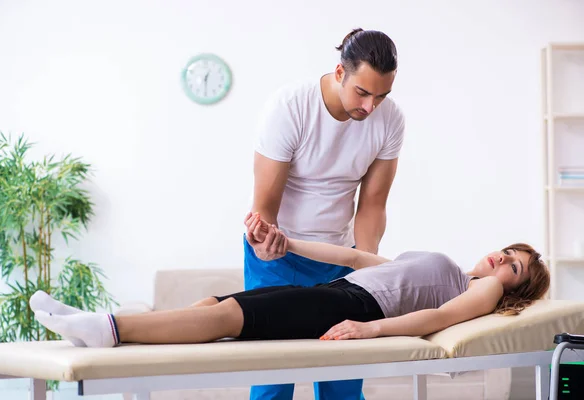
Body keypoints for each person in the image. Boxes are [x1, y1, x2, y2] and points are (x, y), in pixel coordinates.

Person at [31, 214, 550, 354]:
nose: (503, 260)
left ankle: (108, 329)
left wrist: (372, 331)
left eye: (515, 267)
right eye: (508, 251)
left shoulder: (485, 293)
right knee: (219, 303)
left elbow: (435, 320)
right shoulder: (453, 274)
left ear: (516, 289)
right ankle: (104, 329)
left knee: (232, 317)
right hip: (346, 287)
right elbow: (352, 254)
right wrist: (289, 241)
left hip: (355, 303)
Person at [246, 27, 405, 400]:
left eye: (381, 96)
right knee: (273, 380)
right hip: (279, 252)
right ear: (339, 73)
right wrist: (265, 243)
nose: (370, 107)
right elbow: (266, 204)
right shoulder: (290, 107)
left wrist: (368, 266)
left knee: (344, 382)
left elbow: (372, 206)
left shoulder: (390, 119)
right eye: (362, 93)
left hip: (340, 255)